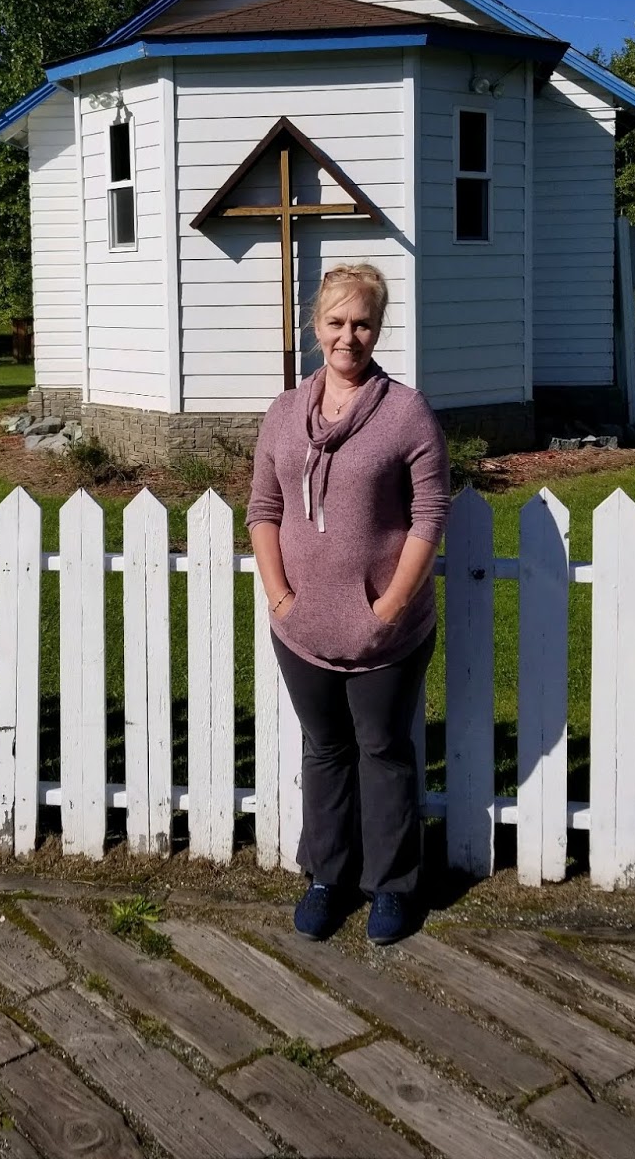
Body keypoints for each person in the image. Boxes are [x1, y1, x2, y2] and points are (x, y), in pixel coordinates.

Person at [247, 263, 449, 944]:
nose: (348, 336)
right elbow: (263, 509)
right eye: (336, 322)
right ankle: (327, 877)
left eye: (362, 323)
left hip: (383, 633)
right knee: (325, 749)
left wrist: (390, 607)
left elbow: (429, 515)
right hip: (302, 629)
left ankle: (392, 885)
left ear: (378, 328)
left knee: (384, 749)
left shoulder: (405, 413)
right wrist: (280, 598)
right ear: (315, 327)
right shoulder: (283, 414)